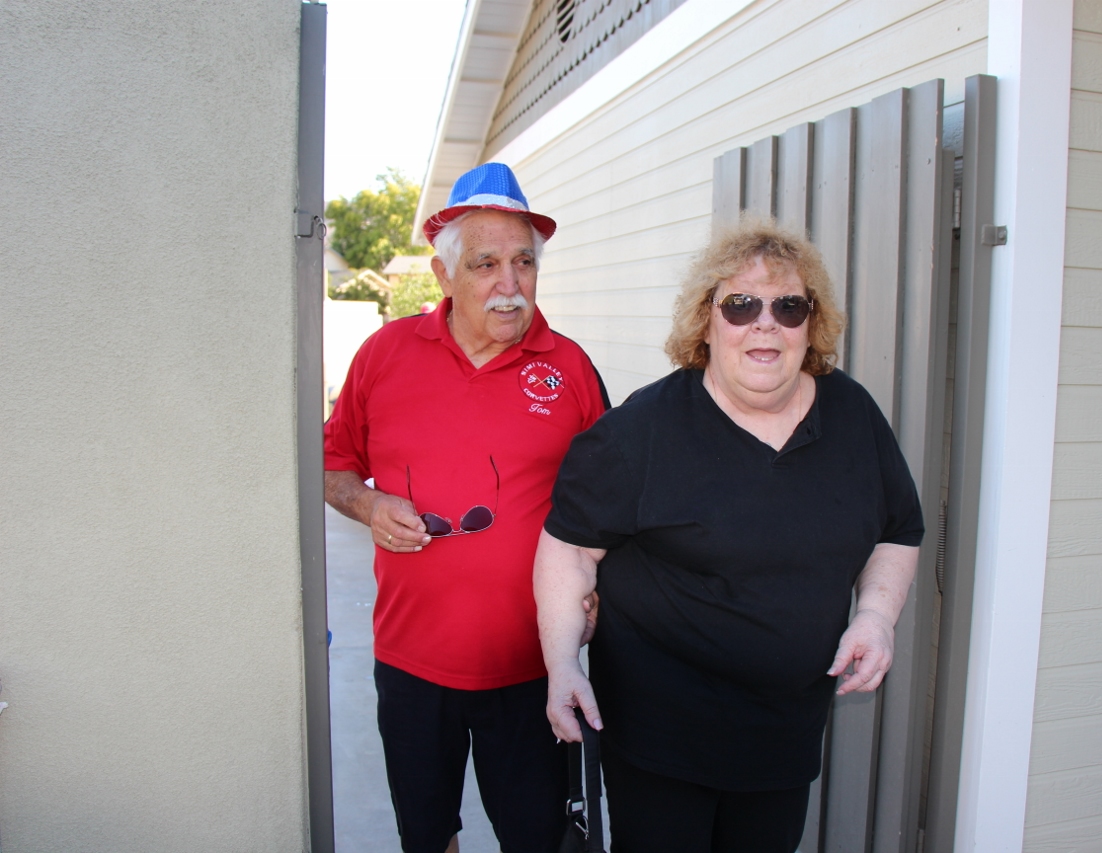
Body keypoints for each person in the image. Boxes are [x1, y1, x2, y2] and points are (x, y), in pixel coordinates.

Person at [533, 218, 923, 853]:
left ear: (811, 324)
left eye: (787, 306)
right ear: (706, 323)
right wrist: (560, 663)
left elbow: (899, 529)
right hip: (660, 742)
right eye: (740, 305)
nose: (764, 322)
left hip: (784, 737)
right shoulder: (641, 431)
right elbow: (570, 547)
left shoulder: (852, 415)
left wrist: (876, 617)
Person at [324, 162, 609, 853]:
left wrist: (603, 588)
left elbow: (611, 502)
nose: (510, 286)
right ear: (443, 273)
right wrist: (368, 505)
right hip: (412, 664)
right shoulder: (384, 355)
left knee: (536, 837)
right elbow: (332, 466)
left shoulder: (568, 368)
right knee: (426, 834)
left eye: (523, 263)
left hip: (532, 666)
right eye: (486, 264)